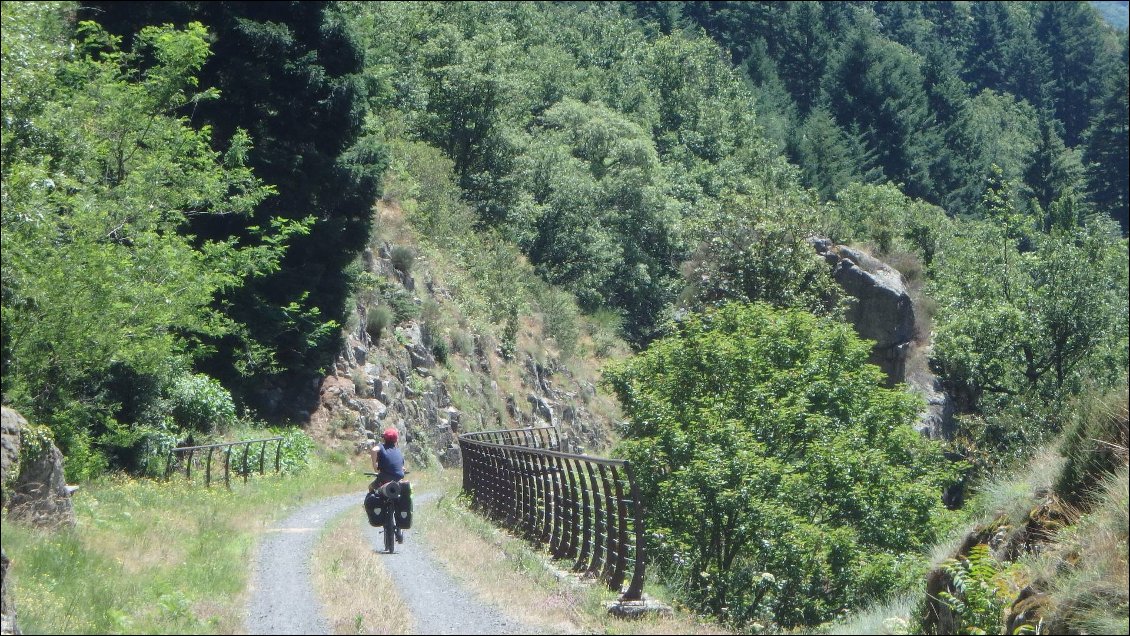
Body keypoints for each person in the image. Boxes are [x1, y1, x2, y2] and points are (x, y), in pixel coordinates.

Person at [369, 427, 406, 543]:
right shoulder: (398, 451)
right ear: (395, 440)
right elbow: (402, 467)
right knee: (400, 497)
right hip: (398, 481)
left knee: (371, 488)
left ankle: (377, 509)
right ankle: (399, 527)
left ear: (384, 438)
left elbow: (373, 450)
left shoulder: (381, 447)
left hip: (383, 479)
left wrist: (375, 467)